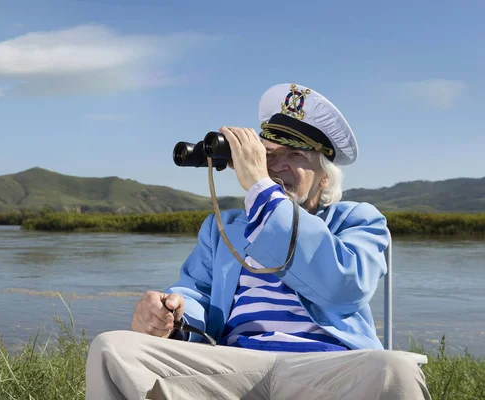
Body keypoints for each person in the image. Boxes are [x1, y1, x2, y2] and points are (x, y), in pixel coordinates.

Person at [85, 83, 431, 399]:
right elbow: (197, 295)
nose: (276, 167)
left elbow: (346, 286)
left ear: (325, 178)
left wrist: (261, 190)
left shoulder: (357, 219)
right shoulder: (224, 227)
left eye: (295, 156)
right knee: (113, 348)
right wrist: (173, 316)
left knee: (394, 370)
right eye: (268, 155)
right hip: (232, 363)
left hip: (325, 368)